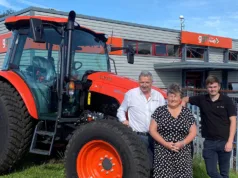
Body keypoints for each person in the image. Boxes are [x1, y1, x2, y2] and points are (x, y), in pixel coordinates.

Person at [182, 75, 237, 178]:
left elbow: (233, 121)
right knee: (211, 172)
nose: (212, 89)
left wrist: (230, 141)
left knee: (224, 174)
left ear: (219, 87)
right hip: (209, 142)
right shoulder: (202, 99)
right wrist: (184, 116)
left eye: (215, 87)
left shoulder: (227, 101)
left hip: (225, 142)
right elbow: (184, 99)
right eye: (210, 87)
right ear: (207, 88)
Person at [117, 70, 165, 168]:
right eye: (142, 82)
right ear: (138, 82)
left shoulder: (158, 96)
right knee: (140, 164)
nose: (144, 85)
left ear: (151, 83)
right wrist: (123, 120)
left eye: (147, 82)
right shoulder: (131, 94)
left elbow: (164, 114)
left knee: (157, 163)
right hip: (138, 136)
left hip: (155, 136)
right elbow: (121, 110)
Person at [149, 83, 197, 178]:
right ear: (167, 97)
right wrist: (166, 143)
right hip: (163, 152)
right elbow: (152, 130)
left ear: (180, 98)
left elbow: (193, 132)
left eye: (175, 96)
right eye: (171, 96)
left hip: (182, 153)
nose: (173, 99)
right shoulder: (159, 111)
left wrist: (182, 143)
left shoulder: (186, 112)